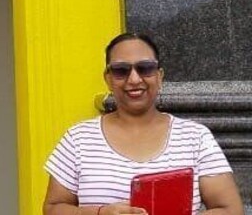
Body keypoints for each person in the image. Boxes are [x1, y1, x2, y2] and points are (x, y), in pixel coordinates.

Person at [43, 32, 243, 215]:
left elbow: (231, 210)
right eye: (121, 70)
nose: (134, 79)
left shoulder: (195, 138)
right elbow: (53, 208)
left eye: (145, 68)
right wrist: (100, 213)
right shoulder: (78, 139)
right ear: (108, 79)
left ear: (159, 76)